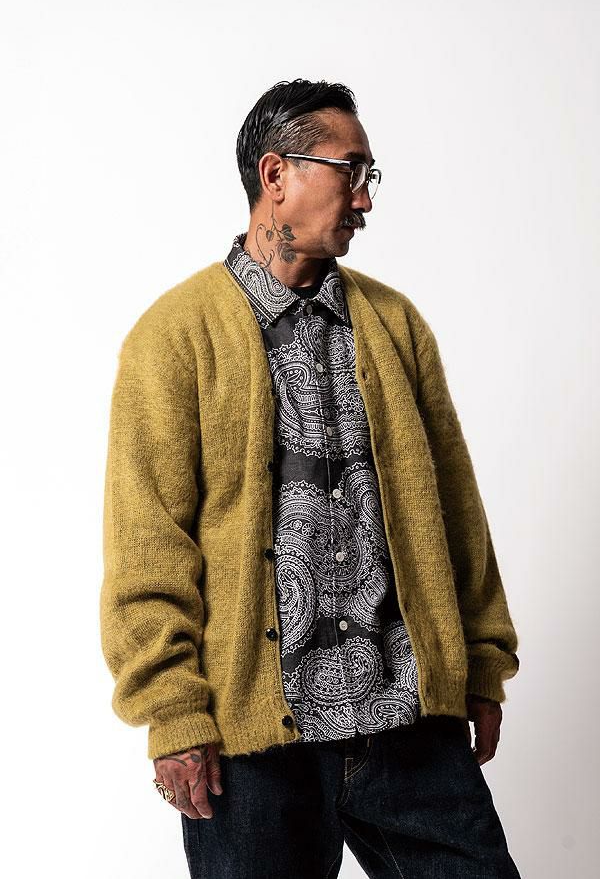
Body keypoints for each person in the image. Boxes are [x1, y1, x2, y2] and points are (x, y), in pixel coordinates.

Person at [100, 78, 522, 878]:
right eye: (349, 170)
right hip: (254, 747)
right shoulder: (175, 337)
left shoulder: (395, 324)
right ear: (276, 175)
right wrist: (172, 712)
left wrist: (481, 662)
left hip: (409, 721)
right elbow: (147, 546)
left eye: (369, 175)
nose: (365, 198)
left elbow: (457, 514)